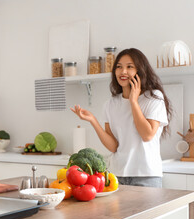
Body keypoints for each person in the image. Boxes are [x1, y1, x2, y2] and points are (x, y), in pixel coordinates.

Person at [71, 48, 172, 188]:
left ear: (140, 71)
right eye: (119, 67)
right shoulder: (110, 104)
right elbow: (113, 147)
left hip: (147, 176)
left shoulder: (154, 97)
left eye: (129, 67)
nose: (123, 71)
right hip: (117, 176)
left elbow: (147, 135)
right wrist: (93, 120)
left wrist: (133, 101)